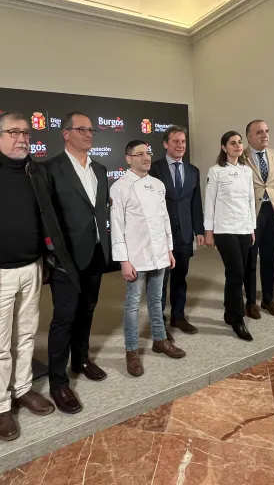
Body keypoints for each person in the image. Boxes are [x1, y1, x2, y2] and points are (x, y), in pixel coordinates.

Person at [0, 112, 79, 442]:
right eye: (13, 132)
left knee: (25, 334)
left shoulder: (36, 171)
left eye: (26, 133)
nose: (22, 138)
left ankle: (22, 388)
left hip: (32, 268)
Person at [44, 111, 111, 414]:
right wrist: (53, 253)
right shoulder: (50, 169)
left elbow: (100, 210)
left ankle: (81, 360)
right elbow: (46, 216)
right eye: (81, 129)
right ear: (66, 133)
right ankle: (58, 381)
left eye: (91, 130)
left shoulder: (100, 169)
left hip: (95, 251)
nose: (88, 134)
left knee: (87, 309)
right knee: (64, 316)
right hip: (65, 257)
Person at [111, 140, 186, 376]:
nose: (146, 158)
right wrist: (123, 260)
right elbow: (116, 226)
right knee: (132, 305)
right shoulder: (119, 187)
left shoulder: (157, 184)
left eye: (148, 153)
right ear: (128, 159)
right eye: (140, 154)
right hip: (136, 256)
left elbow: (164, 219)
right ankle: (131, 350)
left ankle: (160, 339)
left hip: (159, 253)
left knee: (156, 300)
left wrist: (169, 249)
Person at [149, 126, 204, 339]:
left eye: (183, 141)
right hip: (161, 234)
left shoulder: (193, 171)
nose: (180, 145)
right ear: (166, 144)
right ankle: (159, 323)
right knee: (160, 281)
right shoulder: (154, 169)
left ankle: (178, 316)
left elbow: (195, 203)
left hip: (184, 234)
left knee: (180, 277)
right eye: (175, 141)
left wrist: (199, 230)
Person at [204, 131, 256, 341]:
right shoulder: (216, 171)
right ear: (224, 147)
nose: (237, 145)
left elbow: (251, 201)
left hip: (244, 229)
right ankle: (237, 318)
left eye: (239, 142)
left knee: (235, 273)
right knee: (236, 273)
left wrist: (252, 229)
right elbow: (209, 202)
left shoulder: (246, 171)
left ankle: (228, 310)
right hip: (224, 229)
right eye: (232, 143)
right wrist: (209, 232)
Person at [243, 119, 274, 319]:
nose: (265, 135)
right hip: (250, 214)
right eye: (259, 132)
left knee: (270, 259)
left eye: (266, 131)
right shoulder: (241, 156)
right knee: (250, 260)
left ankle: (268, 299)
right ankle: (250, 302)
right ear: (249, 137)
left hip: (273, 213)